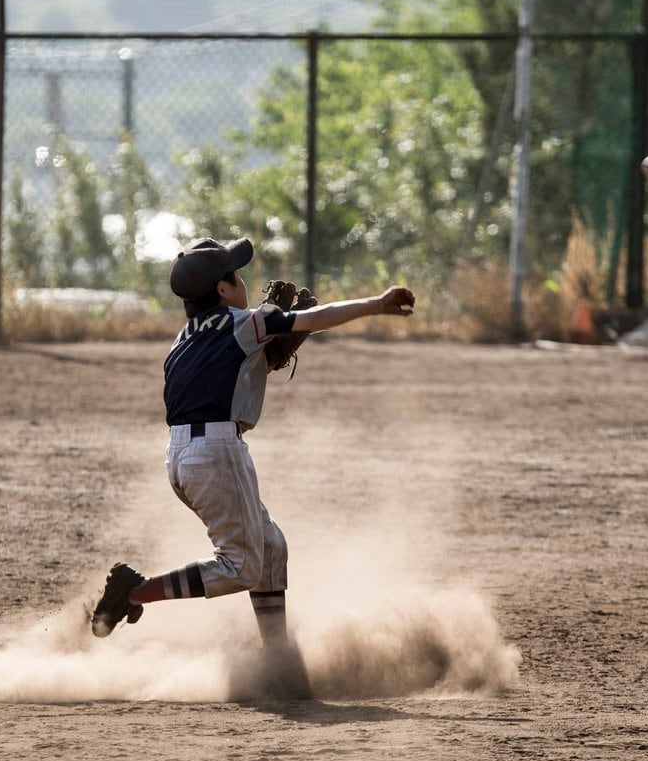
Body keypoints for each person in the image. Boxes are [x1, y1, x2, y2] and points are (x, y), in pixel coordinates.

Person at [89, 236, 416, 667]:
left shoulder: (183, 339)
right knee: (241, 566)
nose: (244, 284)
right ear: (223, 290)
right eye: (236, 277)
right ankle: (133, 591)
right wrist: (376, 304)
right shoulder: (244, 323)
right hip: (217, 452)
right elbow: (316, 316)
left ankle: (277, 655)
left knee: (270, 547)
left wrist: (260, 358)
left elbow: (216, 383)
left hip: (181, 455)